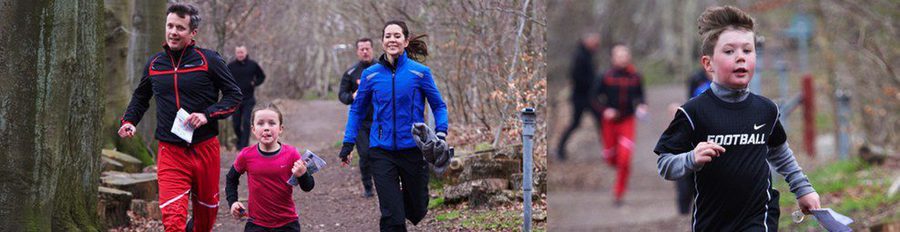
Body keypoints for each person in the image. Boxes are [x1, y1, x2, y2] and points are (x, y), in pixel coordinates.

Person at [655, 6, 821, 231]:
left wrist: (803, 189)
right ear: (708, 64)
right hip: (711, 221)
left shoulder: (766, 110)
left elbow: (780, 154)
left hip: (759, 216)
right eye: (729, 51)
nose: (740, 57)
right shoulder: (693, 113)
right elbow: (665, 164)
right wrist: (691, 158)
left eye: (747, 50)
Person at [118, 3, 242, 231]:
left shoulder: (209, 61)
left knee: (205, 220)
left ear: (192, 32)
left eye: (180, 28)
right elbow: (140, 97)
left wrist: (207, 114)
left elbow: (234, 96)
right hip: (170, 151)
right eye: (170, 26)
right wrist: (128, 121)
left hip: (204, 149)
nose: (173, 32)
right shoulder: (155, 64)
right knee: (173, 221)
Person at [338, 20, 449, 232]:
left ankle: (407, 208)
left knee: (417, 210)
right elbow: (357, 110)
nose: (392, 39)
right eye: (388, 36)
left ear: (406, 41)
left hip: (414, 149)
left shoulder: (420, 73)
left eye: (397, 36)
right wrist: (348, 142)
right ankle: (395, 215)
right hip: (381, 151)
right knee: (392, 216)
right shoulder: (370, 75)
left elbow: (439, 105)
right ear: (382, 42)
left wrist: (441, 133)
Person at [226, 103, 315, 232]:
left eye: (272, 123)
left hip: (287, 223)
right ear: (253, 129)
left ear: (280, 128)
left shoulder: (291, 154)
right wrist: (233, 202)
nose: (266, 128)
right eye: (260, 123)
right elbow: (231, 179)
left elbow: (308, 187)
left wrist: (303, 174)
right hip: (256, 224)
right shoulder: (246, 155)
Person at [596, 44, 647, 205]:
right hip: (609, 122)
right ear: (613, 58)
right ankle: (613, 159)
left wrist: (641, 106)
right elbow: (593, 98)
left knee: (625, 159)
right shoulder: (605, 76)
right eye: (619, 55)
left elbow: (641, 97)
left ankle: (619, 192)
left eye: (625, 55)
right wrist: (605, 110)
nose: (622, 58)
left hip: (627, 120)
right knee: (611, 158)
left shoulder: (636, 76)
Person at [338, 38, 376, 198]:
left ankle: (385, 183)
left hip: (381, 120)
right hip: (360, 122)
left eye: (367, 48)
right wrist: (352, 96)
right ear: (357, 51)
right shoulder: (350, 73)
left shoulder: (382, 68)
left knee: (382, 154)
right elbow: (342, 95)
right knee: (365, 154)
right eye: (362, 49)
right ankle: (368, 186)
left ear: (372, 49)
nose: (365, 51)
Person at [556, 33, 603, 160]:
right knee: (576, 123)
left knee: (601, 121)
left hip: (589, 96)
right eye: (595, 43)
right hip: (581, 97)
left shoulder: (588, 55)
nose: (596, 46)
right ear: (587, 40)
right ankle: (559, 149)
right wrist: (592, 83)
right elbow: (576, 76)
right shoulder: (580, 56)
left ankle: (608, 148)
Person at [673, 67, 712, 215]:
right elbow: (690, 100)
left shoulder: (729, 80)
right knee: (686, 179)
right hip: (694, 133)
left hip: (715, 135)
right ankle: (683, 213)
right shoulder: (696, 78)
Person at [228, 45, 267, 151]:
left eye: (242, 52)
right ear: (236, 53)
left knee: (246, 121)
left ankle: (244, 146)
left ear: (246, 52)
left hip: (249, 99)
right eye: (238, 53)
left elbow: (262, 76)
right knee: (236, 124)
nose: (240, 55)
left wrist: (255, 83)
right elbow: (225, 79)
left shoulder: (253, 65)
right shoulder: (231, 66)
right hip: (235, 99)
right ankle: (240, 140)